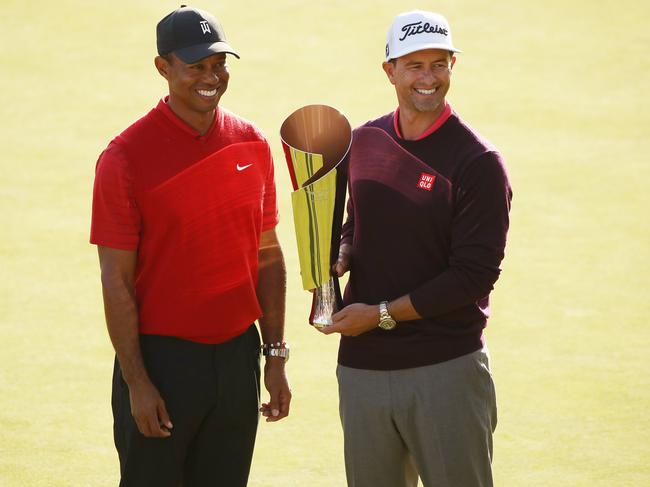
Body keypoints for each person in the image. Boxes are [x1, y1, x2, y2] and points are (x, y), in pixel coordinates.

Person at [89, 5, 291, 486]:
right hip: (162, 362)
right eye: (195, 66)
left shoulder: (253, 144)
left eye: (219, 64)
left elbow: (268, 255)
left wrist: (275, 357)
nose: (211, 77)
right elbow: (115, 280)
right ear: (164, 68)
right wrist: (138, 383)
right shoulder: (124, 158)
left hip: (238, 358)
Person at [320, 10, 512, 487]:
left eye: (439, 65)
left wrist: (380, 314)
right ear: (390, 71)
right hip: (362, 370)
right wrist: (341, 253)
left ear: (451, 66)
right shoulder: (363, 141)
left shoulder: (478, 162)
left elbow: (472, 276)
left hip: (444, 368)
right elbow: (355, 223)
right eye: (415, 66)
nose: (429, 79)